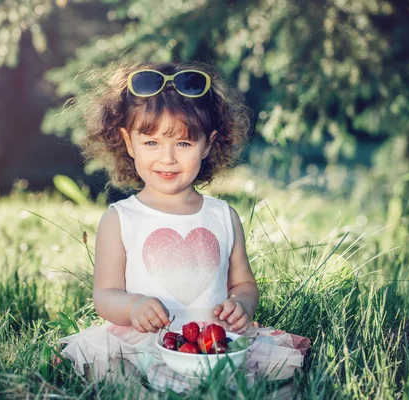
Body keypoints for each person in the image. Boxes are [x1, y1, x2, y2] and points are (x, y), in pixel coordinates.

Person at [58, 61, 310, 393]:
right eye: (151, 143)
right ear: (128, 142)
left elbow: (244, 283)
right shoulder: (120, 218)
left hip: (211, 342)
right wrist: (132, 306)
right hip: (142, 341)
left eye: (184, 143)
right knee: (112, 369)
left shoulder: (223, 216)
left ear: (208, 144)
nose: (167, 158)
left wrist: (242, 304)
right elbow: (105, 296)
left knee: (278, 375)